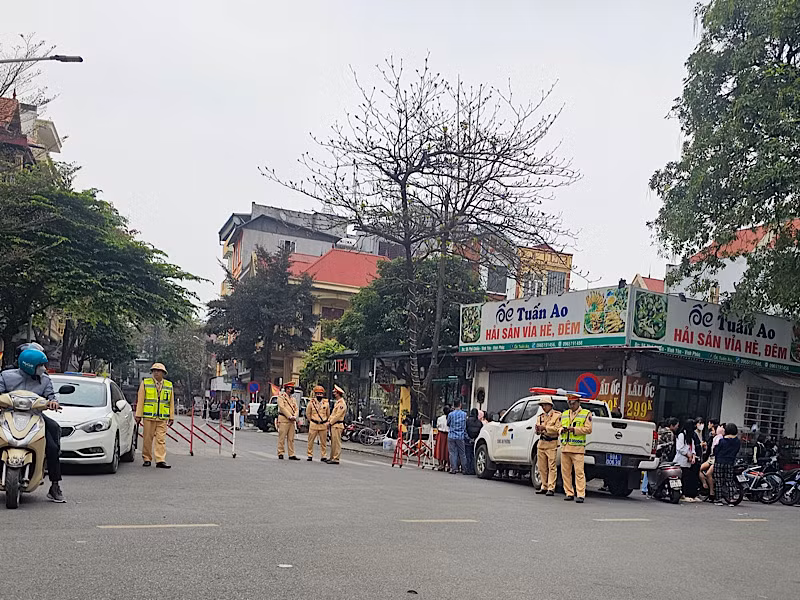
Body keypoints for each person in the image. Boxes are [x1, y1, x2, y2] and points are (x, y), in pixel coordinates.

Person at [0, 345, 66, 502]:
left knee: (52, 445)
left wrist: (53, 403)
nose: (43, 368)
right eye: (40, 365)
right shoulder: (6, 376)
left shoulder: (45, 380)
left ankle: (55, 485)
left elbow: (51, 396)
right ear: (29, 365)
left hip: (35, 416)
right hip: (8, 414)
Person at [135, 363, 174, 469]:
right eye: (154, 370)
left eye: (158, 370)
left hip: (162, 417)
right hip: (149, 416)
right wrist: (138, 415)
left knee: (161, 439)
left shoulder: (169, 385)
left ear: (163, 373)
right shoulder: (145, 383)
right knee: (147, 439)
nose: (156, 372)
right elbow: (141, 400)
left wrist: (171, 416)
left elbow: (171, 402)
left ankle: (160, 460)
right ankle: (147, 458)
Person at [560, 395, 593, 503]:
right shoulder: (564, 414)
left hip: (578, 448)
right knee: (565, 472)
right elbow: (559, 427)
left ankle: (580, 494)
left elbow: (588, 429)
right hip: (565, 447)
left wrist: (574, 430)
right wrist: (562, 430)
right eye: (569, 403)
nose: (571, 405)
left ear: (578, 402)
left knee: (579, 472)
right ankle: (569, 493)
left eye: (573, 403)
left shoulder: (586, 413)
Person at [535, 397, 561, 496]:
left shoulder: (557, 416)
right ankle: (544, 485)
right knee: (542, 467)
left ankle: (551, 487)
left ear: (550, 405)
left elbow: (557, 429)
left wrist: (545, 428)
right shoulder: (540, 417)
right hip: (542, 443)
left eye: (545, 405)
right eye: (542, 405)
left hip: (552, 443)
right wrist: (538, 429)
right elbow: (537, 431)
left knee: (552, 466)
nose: (543, 407)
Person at [713, 422, 741, 506]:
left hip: (719, 462)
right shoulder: (737, 442)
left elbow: (715, 451)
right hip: (730, 462)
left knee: (719, 481)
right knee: (729, 481)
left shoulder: (722, 441)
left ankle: (718, 499)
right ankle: (731, 499)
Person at [675, 419, 699, 500]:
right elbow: (680, 448)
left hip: (688, 461)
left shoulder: (691, 436)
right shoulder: (682, 435)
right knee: (681, 477)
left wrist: (693, 456)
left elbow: (693, 448)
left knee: (686, 477)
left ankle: (686, 493)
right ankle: (681, 494)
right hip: (681, 460)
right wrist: (688, 455)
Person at [700, 424, 725, 501]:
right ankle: (705, 483)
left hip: (716, 460)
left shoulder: (721, 439)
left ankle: (711, 492)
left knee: (708, 474)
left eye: (714, 430)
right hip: (711, 459)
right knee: (700, 468)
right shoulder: (714, 438)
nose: (712, 432)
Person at [306, 385, 330, 461]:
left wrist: (327, 422)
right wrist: (312, 421)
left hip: (323, 424)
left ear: (323, 394)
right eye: (318, 393)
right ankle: (310, 455)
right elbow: (308, 413)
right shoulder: (311, 403)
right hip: (314, 423)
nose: (319, 395)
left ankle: (323, 456)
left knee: (323, 442)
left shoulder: (326, 403)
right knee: (310, 441)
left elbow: (328, 414)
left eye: (320, 393)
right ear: (315, 394)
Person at [277, 382, 300, 460]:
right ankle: (280, 452)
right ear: (287, 389)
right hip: (284, 419)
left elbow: (296, 408)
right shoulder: (281, 397)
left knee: (291, 438)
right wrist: (289, 416)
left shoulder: (293, 399)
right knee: (282, 437)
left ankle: (291, 454)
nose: (292, 389)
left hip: (292, 421)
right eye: (291, 388)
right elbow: (282, 407)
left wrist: (295, 416)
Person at [327, 385, 347, 465]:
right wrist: (329, 420)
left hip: (337, 425)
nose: (333, 393)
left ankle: (336, 458)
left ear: (338, 393)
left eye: (335, 392)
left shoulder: (342, 404)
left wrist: (330, 422)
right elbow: (333, 414)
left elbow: (338, 415)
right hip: (334, 425)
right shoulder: (337, 403)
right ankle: (332, 457)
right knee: (333, 443)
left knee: (337, 443)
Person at [446, 401, 467, 474]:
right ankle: (464, 469)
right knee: (462, 453)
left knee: (452, 453)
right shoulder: (464, 414)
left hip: (451, 435)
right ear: (460, 405)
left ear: (453, 406)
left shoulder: (450, 414)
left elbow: (448, 423)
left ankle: (453, 469)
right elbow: (465, 425)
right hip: (460, 436)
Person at [465, 408, 483, 475]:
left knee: (467, 455)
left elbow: (465, 429)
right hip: (475, 440)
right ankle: (473, 469)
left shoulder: (467, 421)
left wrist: (468, 438)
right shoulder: (479, 422)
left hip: (468, 440)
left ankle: (467, 469)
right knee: (473, 455)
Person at [434, 406, 450, 471]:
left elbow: (438, 426)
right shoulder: (450, 418)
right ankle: (445, 464)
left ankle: (440, 464)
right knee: (447, 450)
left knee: (440, 449)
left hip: (441, 434)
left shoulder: (440, 418)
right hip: (448, 434)